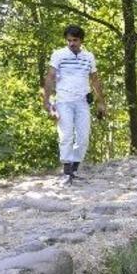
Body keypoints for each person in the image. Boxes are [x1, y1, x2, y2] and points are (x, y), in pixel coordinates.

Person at [43, 24, 107, 185]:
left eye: (75, 40)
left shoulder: (89, 57)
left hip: (82, 101)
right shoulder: (59, 55)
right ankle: (67, 172)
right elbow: (50, 77)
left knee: (83, 136)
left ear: (81, 40)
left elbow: (95, 80)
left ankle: (75, 169)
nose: (72, 43)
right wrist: (47, 101)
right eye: (69, 40)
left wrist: (101, 102)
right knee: (66, 135)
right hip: (64, 100)